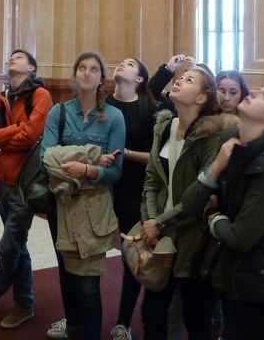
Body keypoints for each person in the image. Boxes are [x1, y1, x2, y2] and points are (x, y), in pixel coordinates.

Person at [179, 82, 264, 339]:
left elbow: (241, 236)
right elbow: (190, 204)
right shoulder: (233, 146)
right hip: (233, 272)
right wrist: (215, 168)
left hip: (257, 278)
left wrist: (213, 217)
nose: (253, 92)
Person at [138, 62, 234, 340]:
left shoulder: (211, 137)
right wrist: (149, 221)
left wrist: (160, 223)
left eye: (189, 80)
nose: (179, 81)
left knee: (196, 316)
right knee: (152, 313)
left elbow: (200, 195)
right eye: (180, 77)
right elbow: (152, 180)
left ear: (202, 98)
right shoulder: (165, 126)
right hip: (160, 235)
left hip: (195, 240)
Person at [41, 52, 125, 340]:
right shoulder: (59, 112)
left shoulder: (114, 117)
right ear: (75, 75)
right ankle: (73, 327)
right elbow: (47, 159)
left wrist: (83, 170)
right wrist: (92, 160)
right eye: (82, 68)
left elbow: (115, 172)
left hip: (95, 209)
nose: (87, 73)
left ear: (102, 78)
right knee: (66, 273)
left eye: (93, 69)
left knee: (88, 284)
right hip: (61, 205)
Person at [0, 49, 53, 329]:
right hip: (2, 179)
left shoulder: (40, 96)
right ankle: (25, 303)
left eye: (19, 57)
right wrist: (13, 132)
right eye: (11, 57)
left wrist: (5, 135)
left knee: (9, 246)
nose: (12, 59)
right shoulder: (4, 96)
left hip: (25, 183)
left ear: (31, 67)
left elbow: (32, 134)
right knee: (18, 245)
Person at [106, 57, 156, 340]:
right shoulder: (104, 104)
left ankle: (123, 321)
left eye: (129, 64)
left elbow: (156, 157)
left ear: (139, 79)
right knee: (87, 253)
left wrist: (124, 153)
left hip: (132, 188)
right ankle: (78, 317)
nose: (121, 65)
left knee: (130, 254)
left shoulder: (148, 108)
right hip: (100, 185)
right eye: (121, 62)